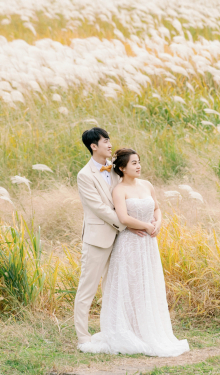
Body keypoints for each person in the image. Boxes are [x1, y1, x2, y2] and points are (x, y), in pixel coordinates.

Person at [78, 147, 189, 357]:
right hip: (129, 243)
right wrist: (146, 226)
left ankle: (146, 328)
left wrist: (158, 223)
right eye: (134, 163)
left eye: (139, 162)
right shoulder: (119, 190)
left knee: (146, 284)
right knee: (129, 285)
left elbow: (157, 208)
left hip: (148, 244)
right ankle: (127, 329)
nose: (138, 166)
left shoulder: (147, 185)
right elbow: (123, 218)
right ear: (122, 168)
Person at [74, 127, 131, 348]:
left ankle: (113, 332)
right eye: (105, 141)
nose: (110, 144)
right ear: (93, 146)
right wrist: (125, 223)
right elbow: (98, 208)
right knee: (87, 289)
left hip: (121, 239)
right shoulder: (84, 175)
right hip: (97, 239)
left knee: (113, 288)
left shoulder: (117, 169)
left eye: (109, 140)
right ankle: (83, 337)